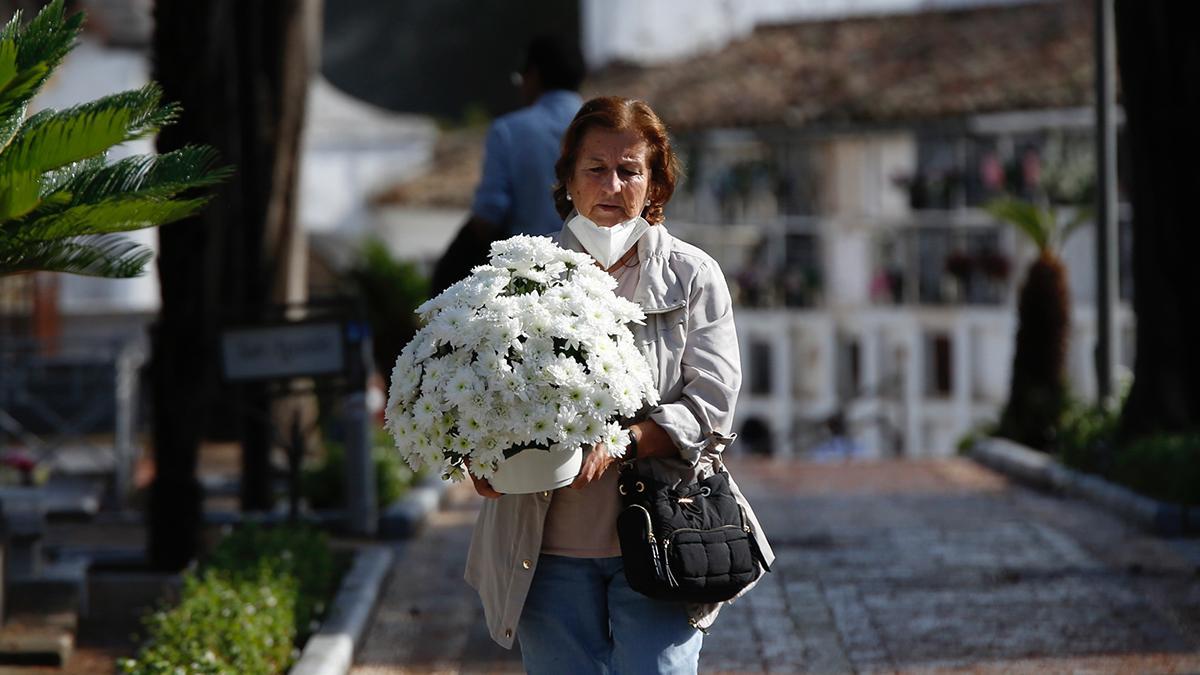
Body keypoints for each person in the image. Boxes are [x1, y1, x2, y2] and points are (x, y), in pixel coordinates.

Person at [464, 96, 775, 674]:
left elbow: (711, 406)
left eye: (630, 170)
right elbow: (476, 390)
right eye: (596, 168)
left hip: (663, 539)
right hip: (544, 550)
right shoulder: (519, 277)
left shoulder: (692, 275)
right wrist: (476, 457)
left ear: (654, 185)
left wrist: (624, 442)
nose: (612, 184)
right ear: (568, 181)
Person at [430, 36, 584, 295]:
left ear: (532, 75)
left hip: (527, 279)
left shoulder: (509, 131)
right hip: (596, 275)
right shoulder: (606, 129)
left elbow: (490, 212)